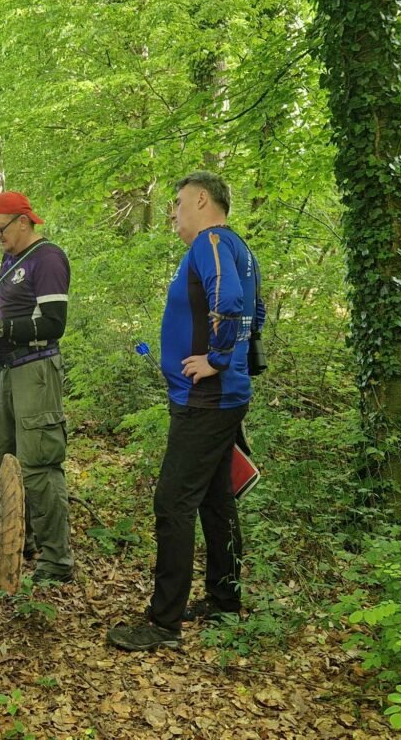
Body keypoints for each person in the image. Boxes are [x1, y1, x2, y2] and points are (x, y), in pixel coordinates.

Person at [107, 170, 265, 651]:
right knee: (216, 499)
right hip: (221, 398)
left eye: (177, 203)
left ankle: (164, 623)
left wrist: (217, 359)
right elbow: (257, 313)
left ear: (201, 200)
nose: (173, 212)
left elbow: (232, 302)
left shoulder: (210, 242)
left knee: (173, 503)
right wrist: (234, 360)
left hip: (205, 401)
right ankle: (224, 602)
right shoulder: (239, 247)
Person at [0, 191, 74, 583]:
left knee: (38, 462)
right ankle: (18, 540)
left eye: (0, 229)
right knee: (3, 458)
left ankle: (56, 560)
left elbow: (54, 323)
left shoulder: (48, 258)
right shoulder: (12, 259)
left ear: (23, 221)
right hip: (5, 371)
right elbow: (10, 307)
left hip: (35, 371)